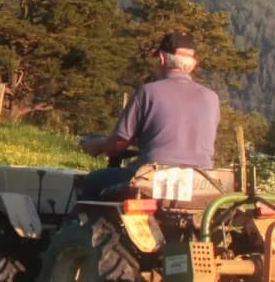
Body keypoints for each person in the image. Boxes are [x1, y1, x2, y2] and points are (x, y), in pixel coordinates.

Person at [76, 31, 222, 203]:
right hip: (200, 184)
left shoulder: (148, 92)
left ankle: (75, 228)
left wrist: (97, 145)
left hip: (153, 181)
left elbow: (118, 143)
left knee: (93, 182)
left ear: (161, 58)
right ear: (193, 65)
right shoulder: (211, 98)